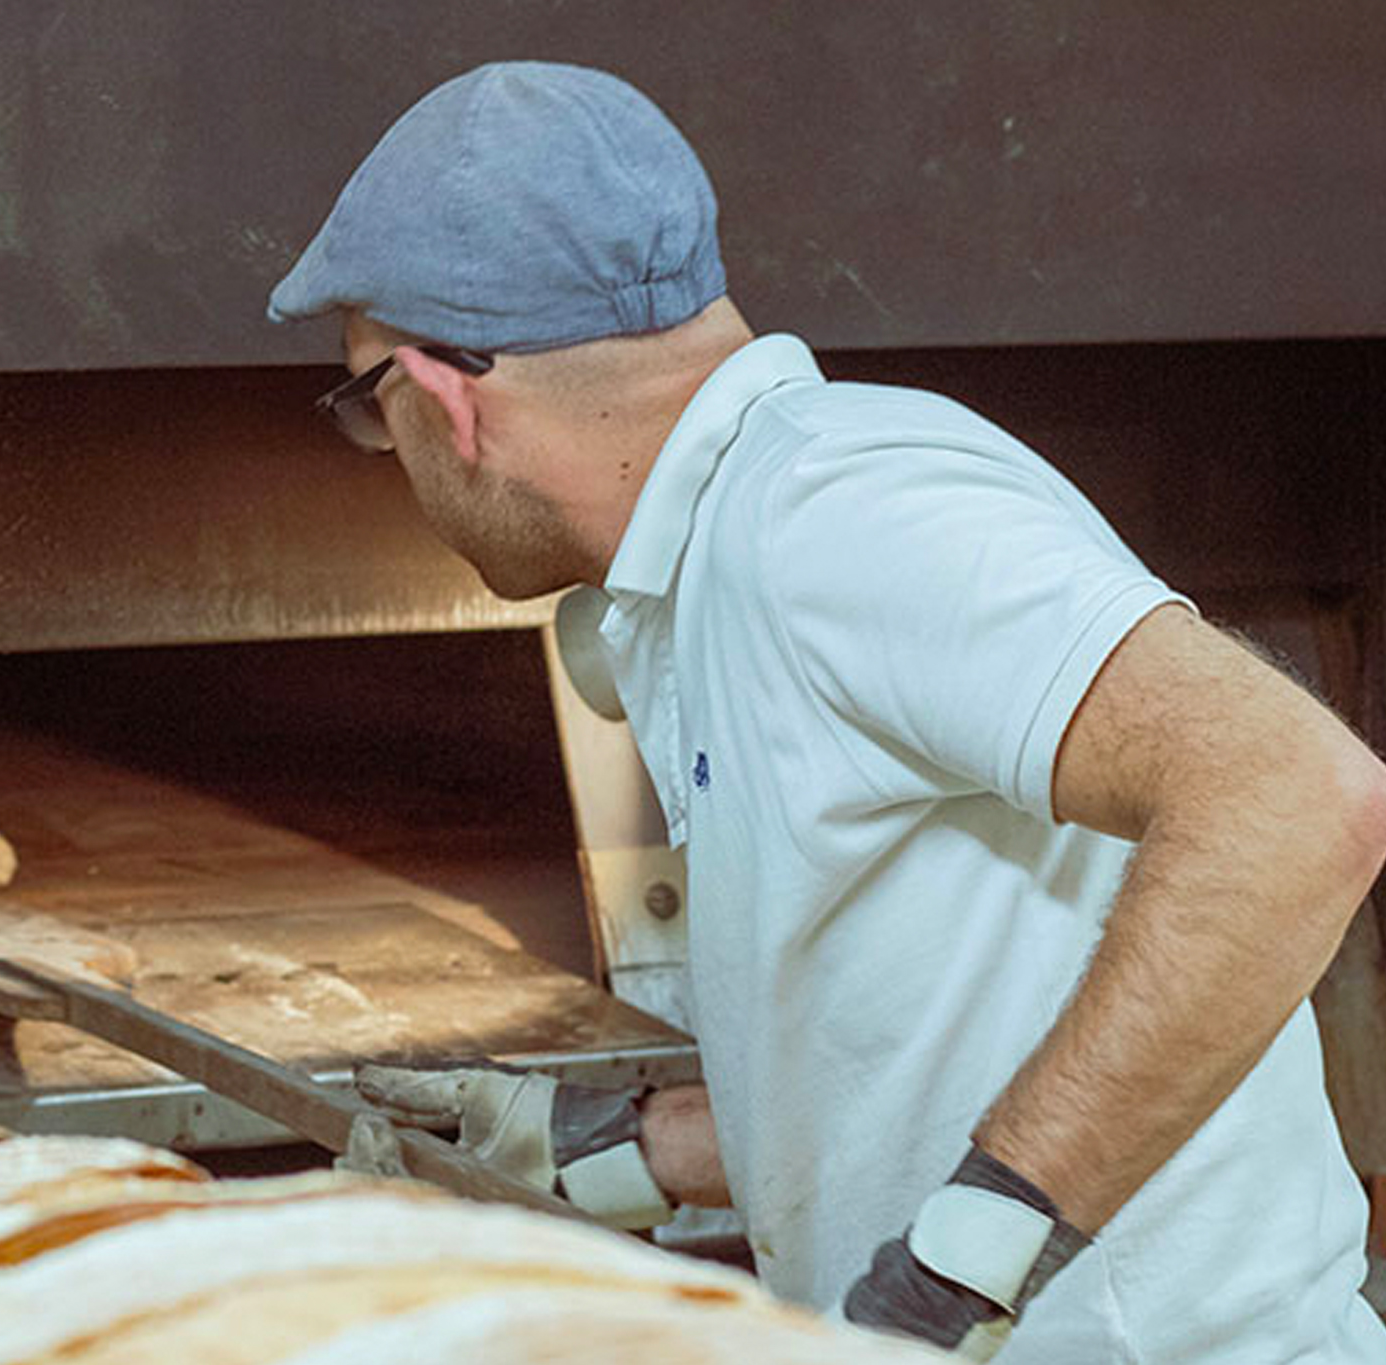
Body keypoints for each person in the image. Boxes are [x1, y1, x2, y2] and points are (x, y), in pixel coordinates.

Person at [265, 61, 1386, 1362]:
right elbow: (934, 1011)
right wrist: (627, 1152)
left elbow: (1302, 795)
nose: (381, 450)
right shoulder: (715, 557)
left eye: (365, 404)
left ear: (446, 399)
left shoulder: (837, 514)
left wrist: (951, 1277)